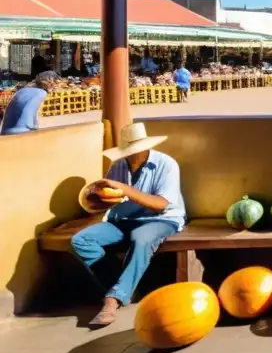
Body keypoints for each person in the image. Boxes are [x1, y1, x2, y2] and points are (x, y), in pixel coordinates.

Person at [71, 122, 186, 327]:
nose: (131, 156)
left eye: (134, 151)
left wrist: (124, 189)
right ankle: (122, 286)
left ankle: (112, 300)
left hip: (161, 219)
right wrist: (97, 197)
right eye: (127, 152)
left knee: (141, 237)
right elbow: (110, 201)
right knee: (81, 240)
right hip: (122, 221)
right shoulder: (118, 166)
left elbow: (161, 204)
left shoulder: (166, 164)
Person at [0, 71, 60, 135]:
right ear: (50, 82)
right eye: (55, 83)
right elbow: (29, 109)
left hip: (5, 130)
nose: (55, 87)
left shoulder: (22, 90)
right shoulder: (40, 93)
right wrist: (29, 127)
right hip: (20, 131)